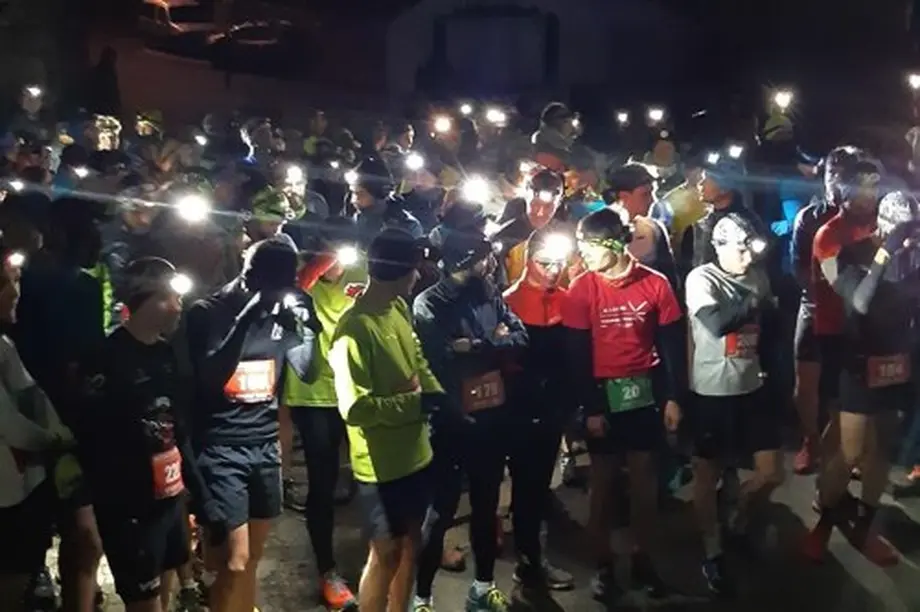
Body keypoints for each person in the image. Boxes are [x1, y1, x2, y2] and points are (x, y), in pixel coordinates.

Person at [71, 258, 227, 612]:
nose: (178, 307)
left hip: (168, 502)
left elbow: (177, 430)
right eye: (170, 298)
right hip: (129, 508)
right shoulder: (106, 359)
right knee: (144, 602)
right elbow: (87, 438)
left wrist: (202, 499)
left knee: (164, 588)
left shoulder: (166, 353)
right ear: (144, 300)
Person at [185, 236, 320, 612]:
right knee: (233, 560)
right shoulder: (207, 312)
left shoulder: (283, 310)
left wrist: (309, 327)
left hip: (264, 443)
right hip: (220, 446)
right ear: (249, 276)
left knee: (251, 559)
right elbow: (210, 379)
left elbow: (308, 371)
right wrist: (248, 317)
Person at [562, 208, 685, 603]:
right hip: (603, 393)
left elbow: (671, 346)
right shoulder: (581, 288)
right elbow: (577, 355)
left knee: (645, 483)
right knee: (603, 484)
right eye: (580, 246)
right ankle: (603, 565)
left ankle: (643, 559)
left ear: (616, 244)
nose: (584, 254)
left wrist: (673, 397)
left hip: (644, 392)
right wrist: (591, 408)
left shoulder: (656, 284)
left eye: (590, 247)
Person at [413, 229, 530, 611]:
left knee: (486, 505)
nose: (492, 264)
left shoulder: (490, 295)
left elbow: (520, 337)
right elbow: (438, 355)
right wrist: (492, 341)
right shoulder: (429, 303)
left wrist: (480, 344)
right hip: (448, 420)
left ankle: (482, 587)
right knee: (440, 511)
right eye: (483, 258)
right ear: (464, 262)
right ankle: (422, 597)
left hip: (491, 417)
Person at [329, 228, 442, 612]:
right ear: (398, 270)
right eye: (414, 268)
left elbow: (417, 360)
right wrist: (416, 402)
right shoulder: (354, 329)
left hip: (417, 454)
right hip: (380, 465)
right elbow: (355, 408)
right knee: (385, 553)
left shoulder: (398, 308)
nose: (418, 275)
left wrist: (436, 396)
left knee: (411, 544)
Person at [804, 175, 910, 567]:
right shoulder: (853, 253)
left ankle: (866, 526)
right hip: (859, 361)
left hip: (899, 362)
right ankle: (825, 519)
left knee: (882, 451)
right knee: (849, 452)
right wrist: (886, 255)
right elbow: (861, 302)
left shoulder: (914, 255)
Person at [685, 214, 784, 595]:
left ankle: (738, 520)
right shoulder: (702, 279)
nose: (747, 257)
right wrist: (757, 301)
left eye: (751, 249)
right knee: (706, 474)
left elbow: (769, 328)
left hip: (752, 386)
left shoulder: (757, 276)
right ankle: (712, 551)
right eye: (740, 249)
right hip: (713, 392)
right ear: (719, 246)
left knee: (771, 473)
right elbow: (716, 323)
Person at [502, 227, 576, 591]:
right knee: (522, 485)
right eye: (545, 263)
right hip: (515, 409)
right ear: (528, 261)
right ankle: (526, 560)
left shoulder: (568, 300)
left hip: (553, 408)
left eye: (558, 263)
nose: (552, 270)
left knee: (539, 485)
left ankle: (532, 558)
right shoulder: (507, 303)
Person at [0, 247, 72, 612]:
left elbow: (33, 394)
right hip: (6, 493)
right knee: (11, 578)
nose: (16, 292)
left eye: (16, 281)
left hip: (16, 484)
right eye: (6, 284)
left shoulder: (4, 344)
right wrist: (58, 440)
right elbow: (11, 425)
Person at [788, 146, 866, 474]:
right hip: (815, 306)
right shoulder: (809, 217)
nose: (837, 181)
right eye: (832, 174)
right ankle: (811, 441)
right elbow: (798, 268)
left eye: (845, 175)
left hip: (855, 312)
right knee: (806, 384)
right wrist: (826, 291)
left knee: (847, 386)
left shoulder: (868, 217)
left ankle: (847, 448)